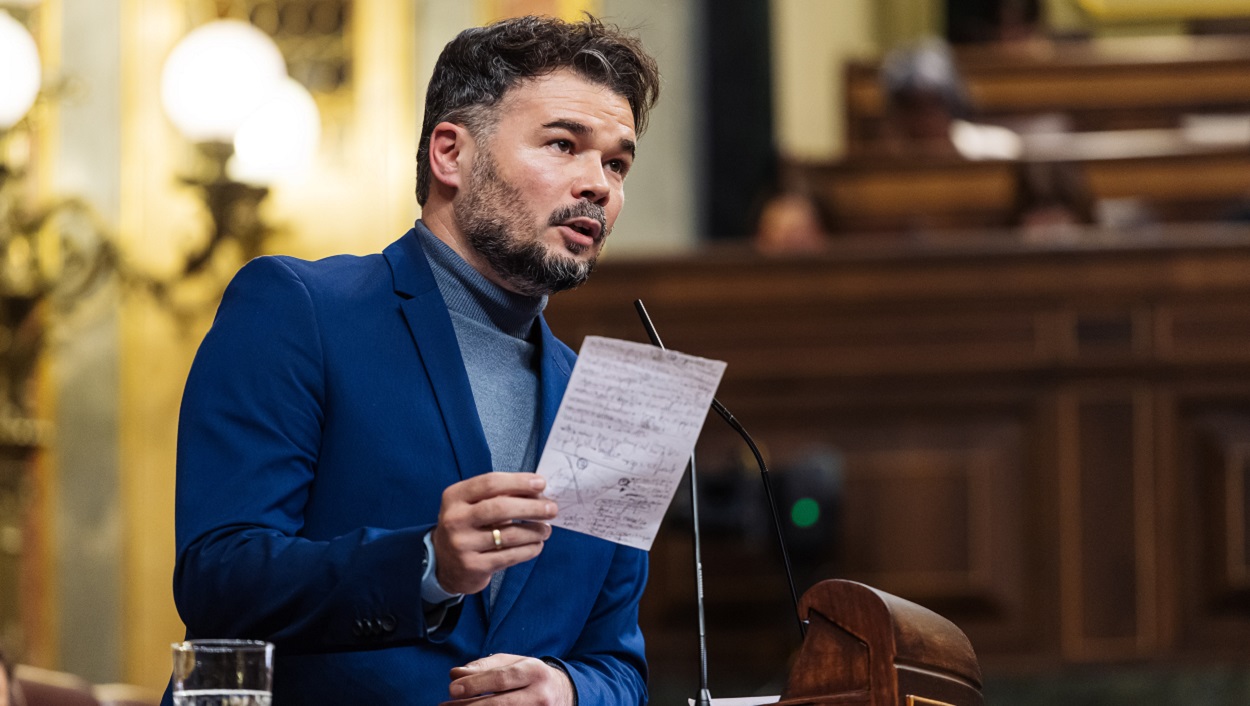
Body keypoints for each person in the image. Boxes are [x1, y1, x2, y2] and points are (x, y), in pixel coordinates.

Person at [163, 14, 660, 706]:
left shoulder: (618, 411)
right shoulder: (298, 307)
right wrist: (425, 564)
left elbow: (619, 665)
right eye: (563, 145)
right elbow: (219, 579)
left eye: (616, 163)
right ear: (450, 154)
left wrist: (570, 691)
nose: (599, 185)